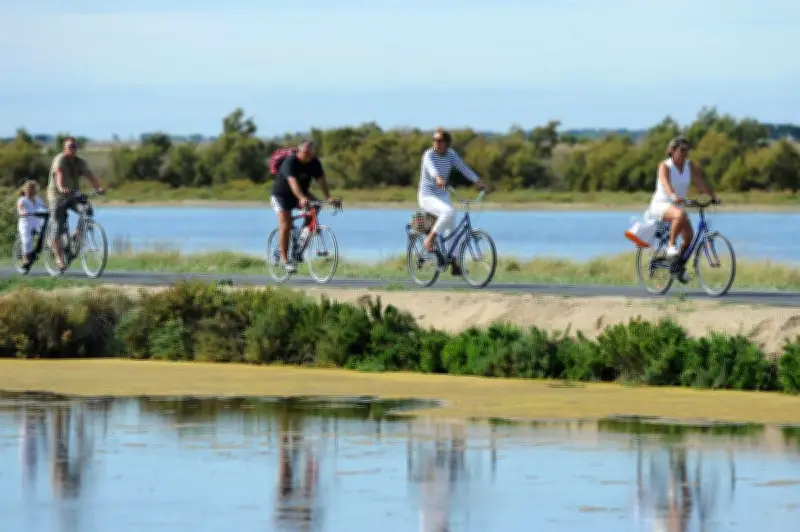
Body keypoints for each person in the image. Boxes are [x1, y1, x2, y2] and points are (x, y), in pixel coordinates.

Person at [647, 136, 719, 282]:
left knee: (689, 238)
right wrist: (673, 195)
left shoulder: (689, 165)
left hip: (677, 206)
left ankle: (677, 267)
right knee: (680, 214)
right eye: (682, 150)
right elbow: (666, 183)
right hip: (661, 204)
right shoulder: (665, 166)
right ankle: (671, 245)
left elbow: (700, 182)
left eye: (687, 150)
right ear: (672, 151)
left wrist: (713, 197)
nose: (685, 153)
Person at [418, 127, 486, 275]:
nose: (436, 142)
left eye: (440, 140)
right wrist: (437, 178)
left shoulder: (451, 155)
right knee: (449, 212)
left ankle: (455, 263)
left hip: (442, 195)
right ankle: (429, 240)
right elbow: (432, 169)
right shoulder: (429, 155)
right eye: (434, 140)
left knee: (452, 227)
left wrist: (477, 181)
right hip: (427, 195)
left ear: (447, 143)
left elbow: (463, 168)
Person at [270, 140, 340, 273]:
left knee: (316, 207)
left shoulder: (314, 163)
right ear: (299, 150)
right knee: (286, 224)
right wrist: (302, 198)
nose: (307, 155)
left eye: (310, 153)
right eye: (305, 152)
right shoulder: (290, 162)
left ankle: (300, 244)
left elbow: (321, 180)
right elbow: (293, 183)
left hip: (301, 193)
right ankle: (286, 261)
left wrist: (328, 198)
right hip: (281, 195)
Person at [46, 137, 104, 271]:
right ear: (64, 148)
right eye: (70, 146)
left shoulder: (80, 161)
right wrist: (61, 187)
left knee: (87, 210)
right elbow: (59, 174)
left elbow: (89, 174)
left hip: (73, 194)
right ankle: (59, 259)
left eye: (74, 147)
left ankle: (77, 234)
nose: (73, 149)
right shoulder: (60, 160)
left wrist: (98, 187)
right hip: (57, 196)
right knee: (58, 226)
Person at [16, 179, 48, 268]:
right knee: (27, 240)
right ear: (25, 191)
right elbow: (20, 208)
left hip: (36, 222)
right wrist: (22, 212)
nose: (31, 193)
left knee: (44, 234)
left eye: (33, 191)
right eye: (29, 191)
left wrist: (51, 209)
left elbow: (45, 206)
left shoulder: (37, 199)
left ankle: (37, 251)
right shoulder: (22, 200)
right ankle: (25, 259)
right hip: (25, 223)